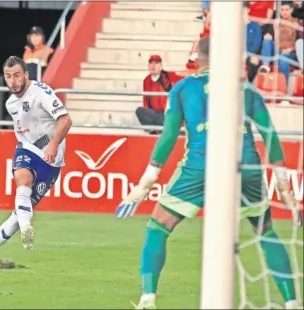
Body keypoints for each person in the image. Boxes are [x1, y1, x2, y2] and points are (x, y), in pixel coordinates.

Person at [116, 37, 302, 309]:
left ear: (196, 59)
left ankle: (147, 298)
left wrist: (146, 183)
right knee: (265, 232)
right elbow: (270, 136)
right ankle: (292, 302)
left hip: (201, 165)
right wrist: (284, 187)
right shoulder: (247, 91)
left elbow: (168, 137)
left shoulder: (182, 88)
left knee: (157, 227)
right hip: (245, 165)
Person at [0, 56, 72, 260]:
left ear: (26, 74)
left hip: (52, 157)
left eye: (17, 75)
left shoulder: (41, 92)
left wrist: (53, 144)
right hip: (27, 148)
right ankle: (27, 227)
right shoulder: (11, 103)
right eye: (8, 76)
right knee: (22, 181)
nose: (12, 81)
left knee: (21, 210)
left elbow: (66, 119)